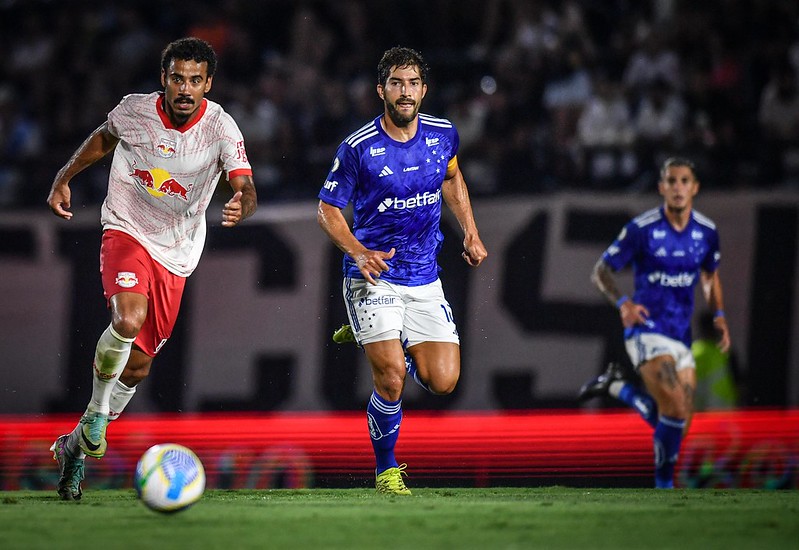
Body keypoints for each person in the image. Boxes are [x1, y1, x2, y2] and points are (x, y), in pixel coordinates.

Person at [46, 37, 257, 501]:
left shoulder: (220, 127)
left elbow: (244, 182)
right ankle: (98, 416)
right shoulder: (135, 111)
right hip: (126, 227)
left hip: (177, 250)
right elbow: (104, 139)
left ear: (208, 84)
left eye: (195, 80)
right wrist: (64, 177)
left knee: (138, 368)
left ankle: (75, 447)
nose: (186, 88)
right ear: (164, 79)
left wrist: (243, 202)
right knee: (126, 319)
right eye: (177, 78)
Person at [317, 46, 487, 495]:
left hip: (424, 276)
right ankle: (386, 469)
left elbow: (452, 177)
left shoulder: (443, 134)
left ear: (424, 90)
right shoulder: (358, 148)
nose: (405, 91)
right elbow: (328, 209)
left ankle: (373, 333)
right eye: (396, 83)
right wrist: (357, 251)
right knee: (391, 376)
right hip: (373, 275)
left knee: (443, 381)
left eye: (412, 83)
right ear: (381, 91)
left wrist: (469, 230)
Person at [578, 157, 730, 488]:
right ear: (662, 187)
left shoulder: (706, 232)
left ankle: (618, 387)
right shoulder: (642, 229)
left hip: (681, 335)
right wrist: (623, 303)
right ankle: (664, 487)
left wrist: (718, 314)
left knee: (679, 422)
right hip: (646, 332)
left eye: (684, 181)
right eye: (671, 181)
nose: (678, 188)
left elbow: (709, 276)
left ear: (695, 188)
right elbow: (600, 271)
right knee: (675, 410)